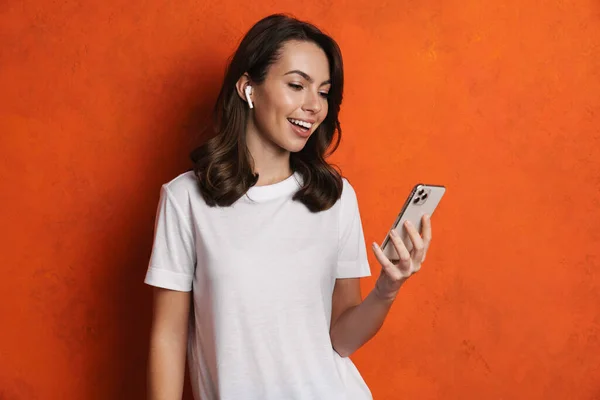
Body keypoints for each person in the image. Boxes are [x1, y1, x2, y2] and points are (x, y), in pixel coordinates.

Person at [144, 13, 432, 400]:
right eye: (297, 85)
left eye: (324, 92)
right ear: (248, 89)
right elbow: (169, 336)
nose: (314, 105)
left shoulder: (336, 197)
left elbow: (341, 339)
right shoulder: (186, 200)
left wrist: (387, 289)